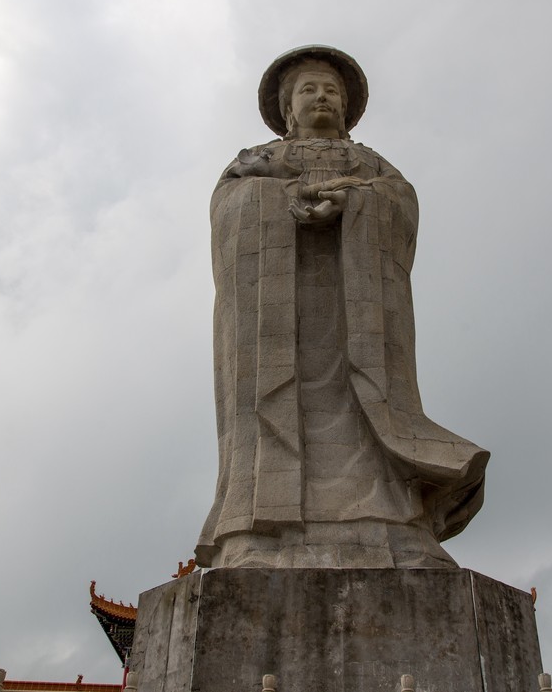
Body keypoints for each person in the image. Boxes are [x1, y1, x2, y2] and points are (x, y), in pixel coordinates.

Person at [195, 45, 488, 569]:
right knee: (269, 401)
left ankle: (388, 524)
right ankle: (260, 534)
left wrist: (355, 205)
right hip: (275, 315)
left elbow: (400, 205)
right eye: (309, 89)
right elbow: (227, 212)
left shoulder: (371, 164)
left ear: (348, 108)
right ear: (289, 108)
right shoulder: (254, 164)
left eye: (332, 90)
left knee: (367, 399)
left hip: (360, 315)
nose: (321, 97)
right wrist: (280, 204)